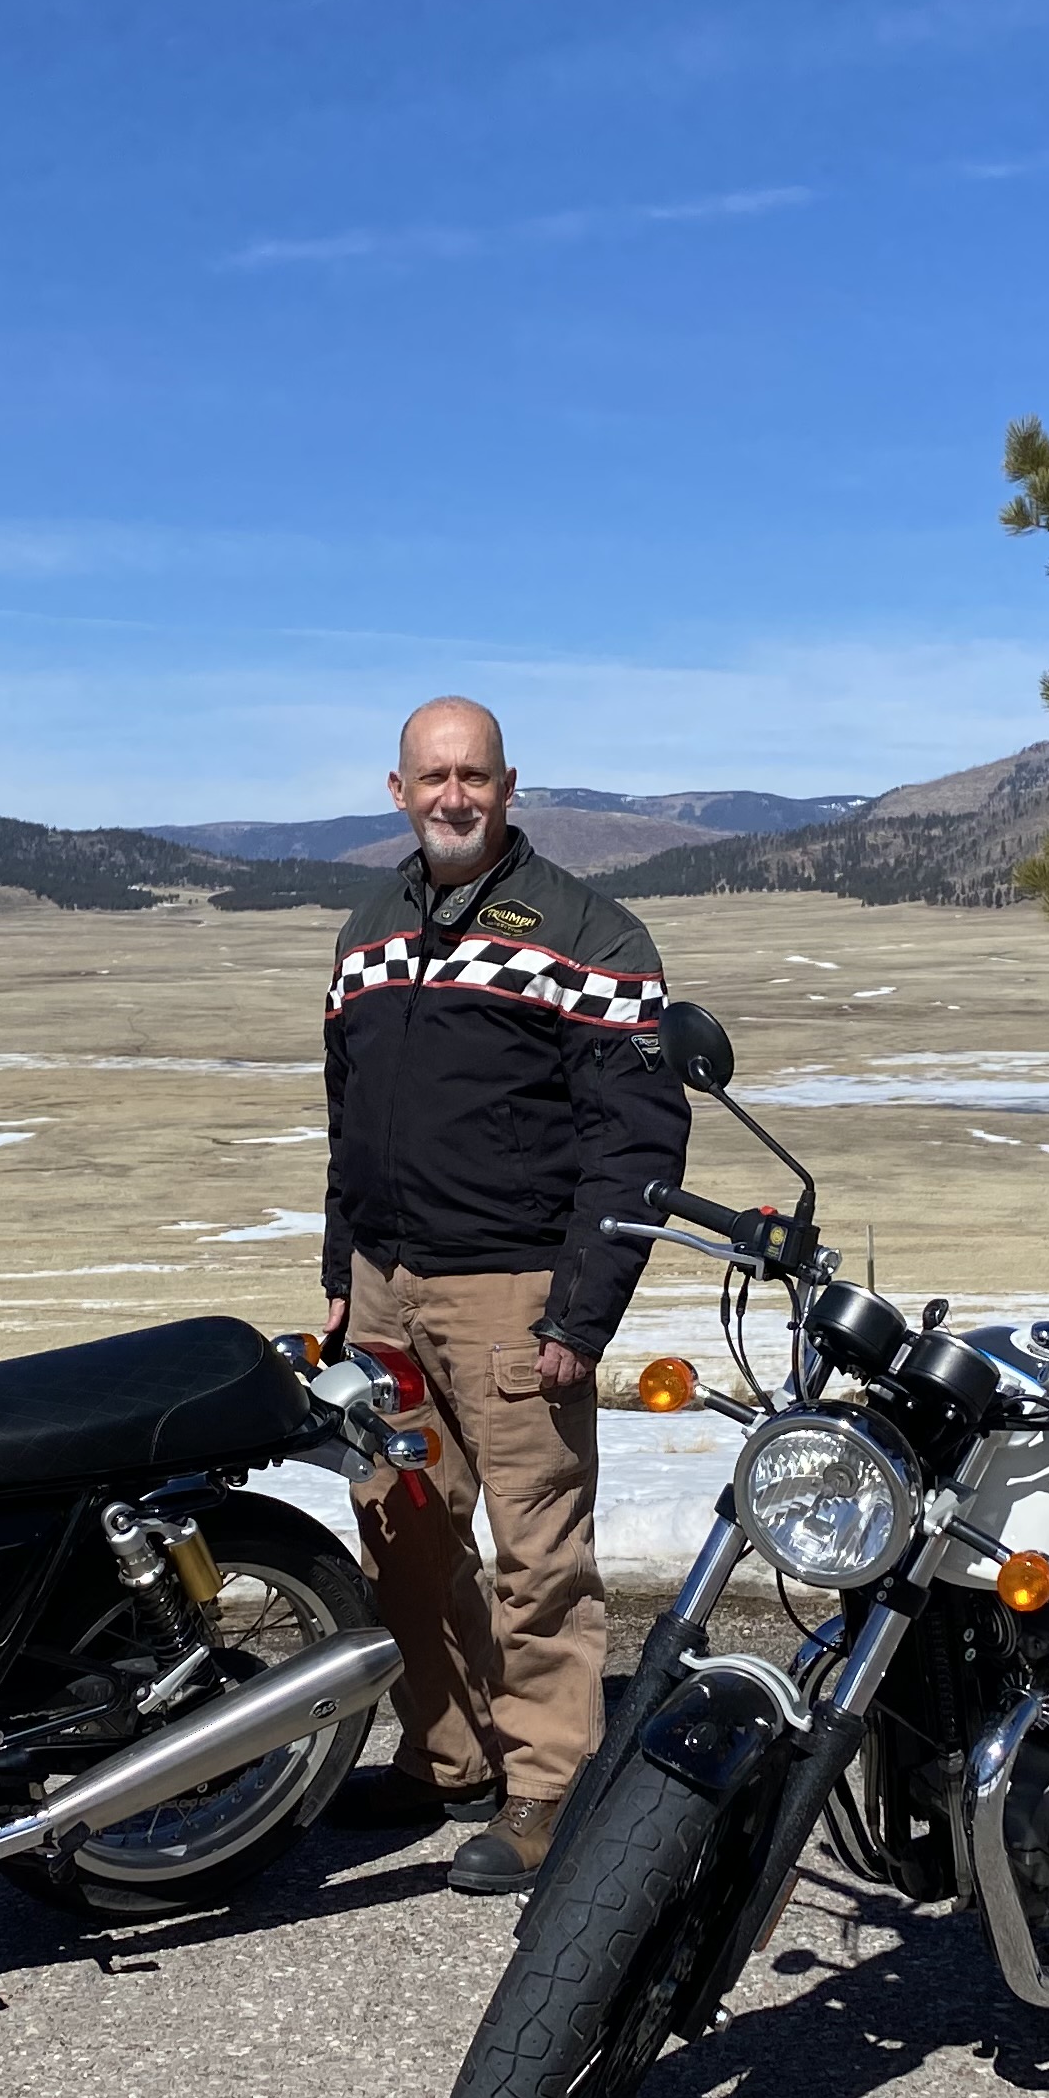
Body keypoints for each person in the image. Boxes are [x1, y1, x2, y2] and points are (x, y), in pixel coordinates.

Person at [319, 696, 688, 1892]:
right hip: (387, 1292)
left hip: (514, 1290)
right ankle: (448, 1757)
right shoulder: (368, 930)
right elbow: (348, 1120)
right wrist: (339, 1276)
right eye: (433, 777)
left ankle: (549, 1788)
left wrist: (582, 1313)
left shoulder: (590, 932)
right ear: (397, 790)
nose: (454, 796)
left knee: (539, 1553)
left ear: (509, 785)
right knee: (405, 1535)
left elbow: (637, 1140)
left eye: (473, 775)